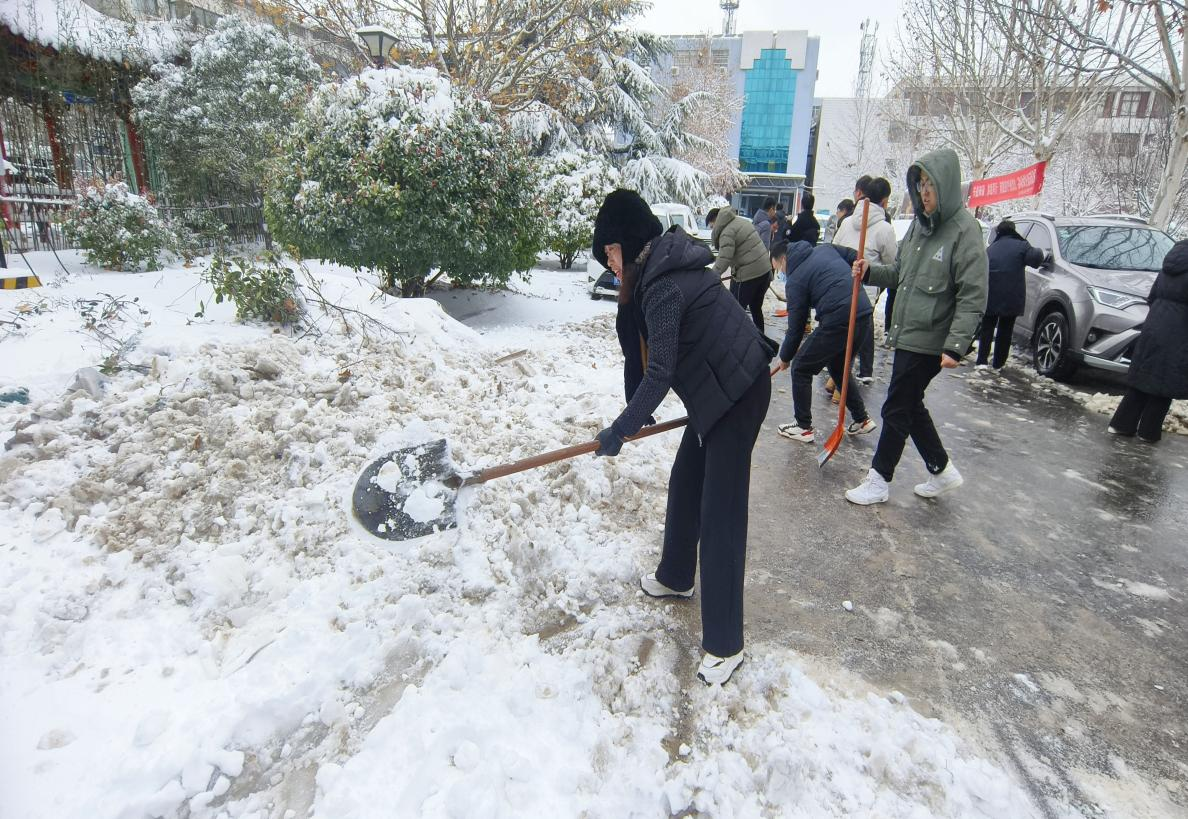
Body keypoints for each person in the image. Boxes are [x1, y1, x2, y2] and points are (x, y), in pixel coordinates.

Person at [592, 189, 774, 686]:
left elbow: (660, 373)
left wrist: (620, 428)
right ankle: (676, 575)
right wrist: (633, 417)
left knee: (720, 514)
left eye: (611, 251)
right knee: (686, 481)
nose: (610, 263)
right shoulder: (657, 271)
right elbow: (650, 361)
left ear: (629, 243)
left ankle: (725, 644)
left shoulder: (664, 285)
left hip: (737, 392)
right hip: (712, 391)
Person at [845, 148, 987, 505]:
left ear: (948, 186)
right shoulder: (919, 230)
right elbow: (899, 275)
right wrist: (870, 272)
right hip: (909, 332)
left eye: (931, 185)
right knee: (910, 405)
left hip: (933, 338)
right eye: (920, 185)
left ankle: (879, 479)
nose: (924, 193)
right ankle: (941, 469)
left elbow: (973, 293)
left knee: (896, 406)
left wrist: (956, 344)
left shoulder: (964, 231)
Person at [772, 241, 878, 443]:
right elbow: (855, 256)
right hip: (863, 312)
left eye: (779, 268)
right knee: (838, 367)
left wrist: (785, 357)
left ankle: (803, 427)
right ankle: (861, 419)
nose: (781, 273)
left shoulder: (795, 280)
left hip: (839, 319)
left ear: (784, 259)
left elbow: (796, 327)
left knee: (801, 367)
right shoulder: (825, 248)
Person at [1107, 239, 1188, 442]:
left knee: (1142, 378)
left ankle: (1120, 425)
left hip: (1154, 325)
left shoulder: (1168, 268)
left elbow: (1151, 297)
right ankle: (1148, 432)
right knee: (1164, 384)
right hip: (1179, 331)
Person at [834, 178, 898, 385]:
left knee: (844, 329)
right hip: (866, 288)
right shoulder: (884, 229)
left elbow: (834, 250)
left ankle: (839, 375)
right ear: (885, 201)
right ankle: (859, 373)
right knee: (862, 328)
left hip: (840, 285)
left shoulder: (845, 222)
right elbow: (891, 264)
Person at [978, 219, 1045, 370]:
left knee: (987, 327)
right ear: (1014, 231)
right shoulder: (1022, 246)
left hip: (991, 294)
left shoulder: (991, 248)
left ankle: (982, 361)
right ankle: (998, 363)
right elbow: (1035, 260)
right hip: (1011, 296)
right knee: (1005, 330)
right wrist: (1040, 252)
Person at [707, 205, 772, 332]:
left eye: (711, 226)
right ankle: (761, 343)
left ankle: (734, 343)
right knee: (756, 308)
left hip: (749, 275)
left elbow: (724, 258)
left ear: (716, 220)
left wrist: (711, 276)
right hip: (764, 272)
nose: (712, 229)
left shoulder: (726, 231)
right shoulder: (740, 221)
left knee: (734, 312)